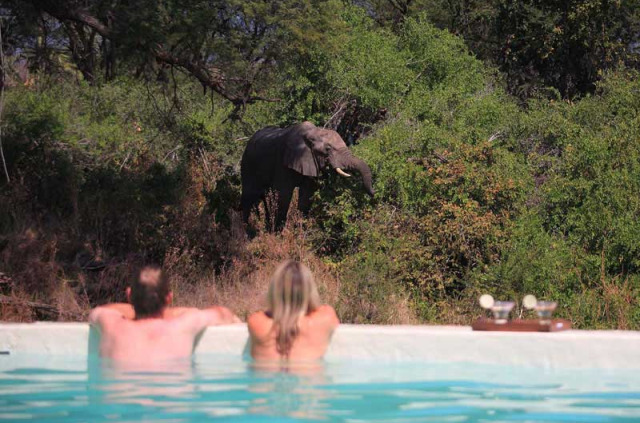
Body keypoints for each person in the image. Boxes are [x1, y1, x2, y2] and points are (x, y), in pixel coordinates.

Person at [89, 264, 241, 363]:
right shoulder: (184, 324)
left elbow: (100, 310)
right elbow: (223, 313)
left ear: (129, 295)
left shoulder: (110, 323)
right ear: (169, 298)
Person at [248, 260, 340, 361]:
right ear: (309, 291)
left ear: (275, 290)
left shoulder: (256, 322)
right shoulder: (325, 318)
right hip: (307, 376)